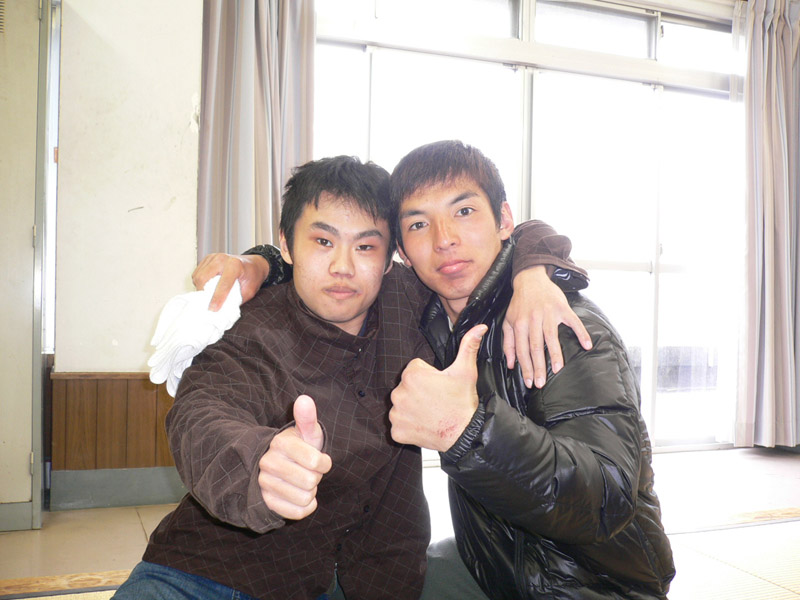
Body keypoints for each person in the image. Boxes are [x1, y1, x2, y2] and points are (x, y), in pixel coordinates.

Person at [116, 155, 591, 600]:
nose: (342, 267)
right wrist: (261, 465)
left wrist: (532, 273)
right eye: (323, 242)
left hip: (374, 579)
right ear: (287, 244)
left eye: (365, 247)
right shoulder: (250, 329)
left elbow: (501, 239)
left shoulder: (412, 303)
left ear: (390, 257)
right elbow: (200, 414)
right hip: (210, 572)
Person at [386, 140, 675, 599]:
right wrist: (266, 262)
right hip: (495, 562)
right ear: (403, 250)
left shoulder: (561, 325)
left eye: (464, 212)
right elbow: (337, 274)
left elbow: (607, 497)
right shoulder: (433, 317)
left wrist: (465, 431)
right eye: (419, 224)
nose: (444, 239)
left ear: (503, 222)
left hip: (590, 585)